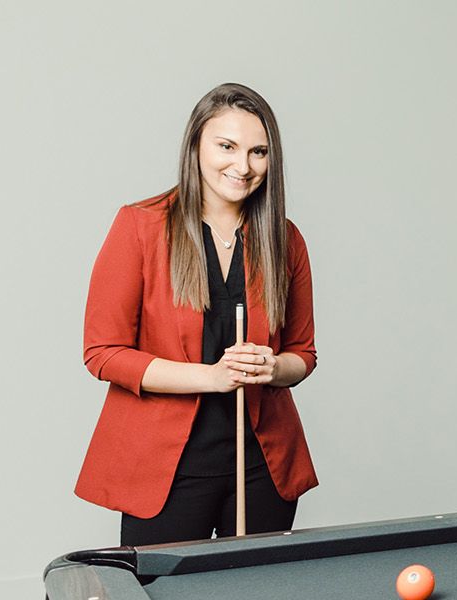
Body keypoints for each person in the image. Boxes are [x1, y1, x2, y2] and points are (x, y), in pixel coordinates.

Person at [80, 83, 319, 546]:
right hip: (167, 471)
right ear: (196, 145)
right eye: (226, 146)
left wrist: (271, 368)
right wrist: (212, 377)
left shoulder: (285, 239)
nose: (242, 166)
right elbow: (103, 353)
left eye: (258, 151)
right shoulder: (140, 226)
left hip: (262, 467)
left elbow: (303, 354)